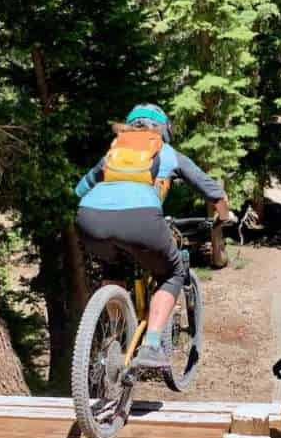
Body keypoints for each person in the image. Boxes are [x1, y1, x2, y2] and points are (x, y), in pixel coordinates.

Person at [75, 104, 231, 368]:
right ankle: (151, 345)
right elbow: (213, 193)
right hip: (142, 220)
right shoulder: (167, 153)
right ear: (164, 130)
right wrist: (224, 217)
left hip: (90, 219)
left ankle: (113, 333)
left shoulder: (113, 154)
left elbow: (79, 190)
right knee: (173, 273)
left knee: (113, 269)